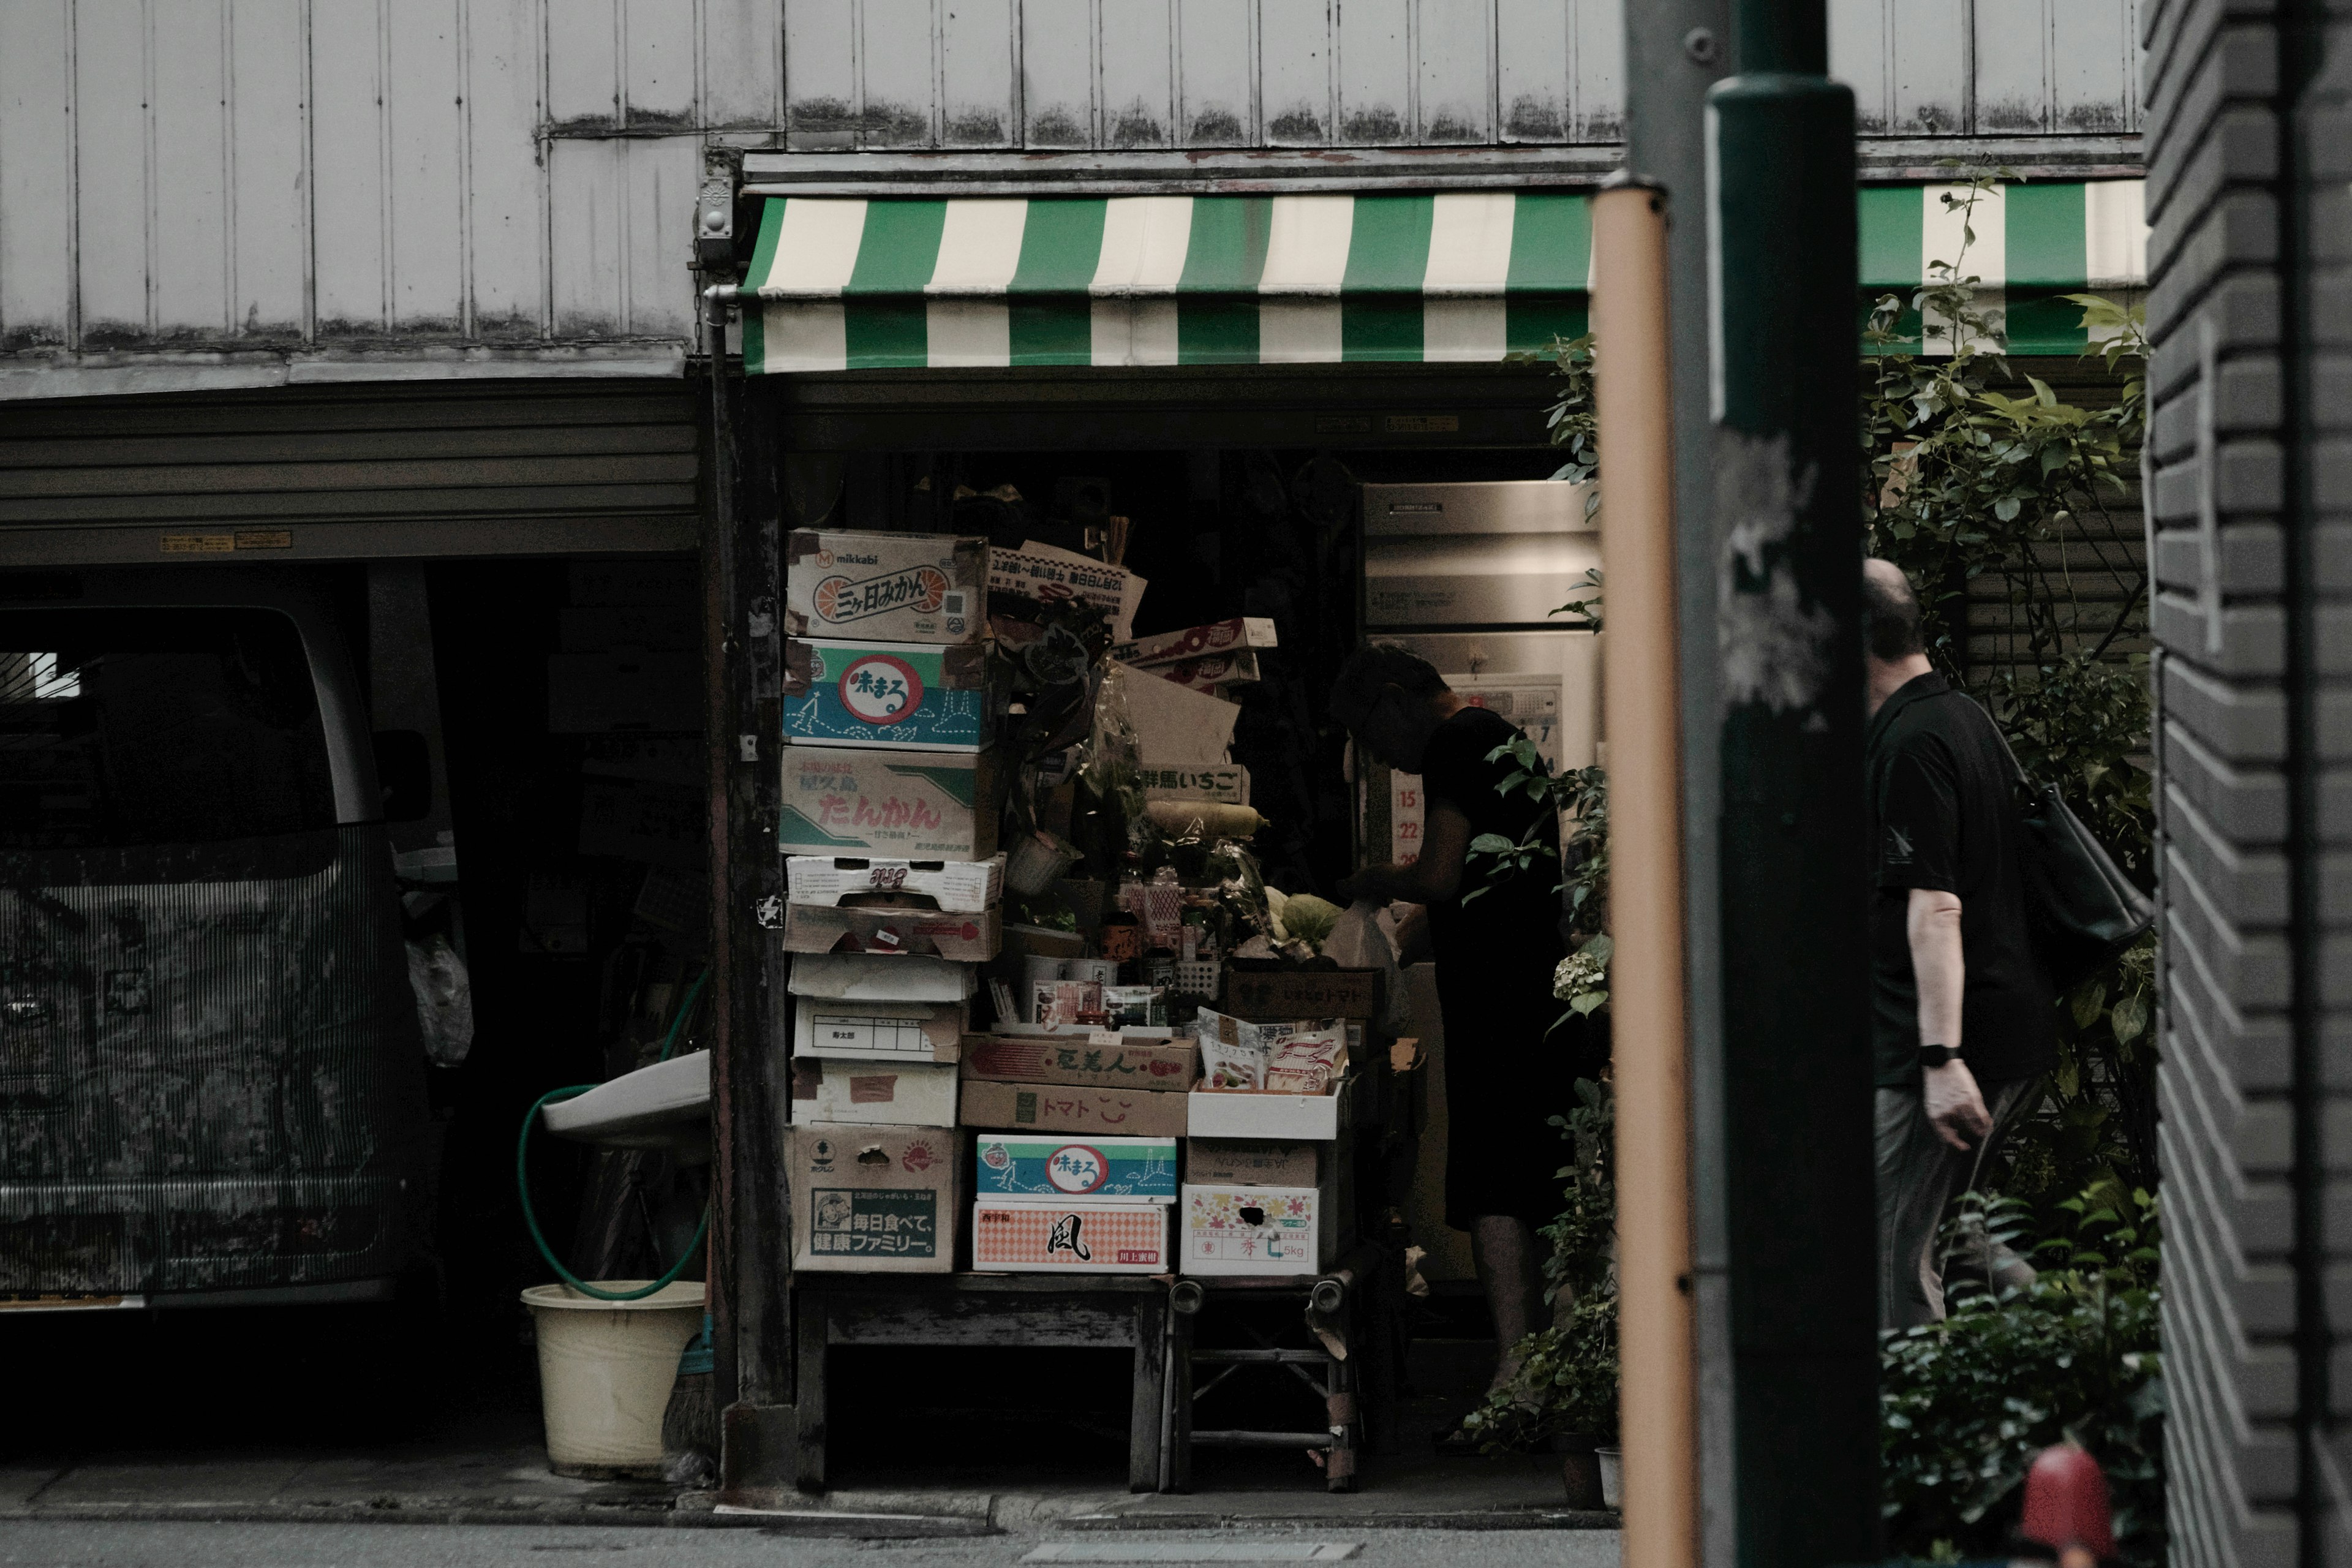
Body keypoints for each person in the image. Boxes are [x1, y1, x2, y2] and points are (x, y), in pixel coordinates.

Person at [1328, 644, 1590, 1414]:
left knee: (1495, 1180)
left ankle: (1518, 1376)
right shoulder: (1499, 738)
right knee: (1526, 1176)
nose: (1382, 758)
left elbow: (1440, 875)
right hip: (1533, 998)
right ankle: (1541, 1366)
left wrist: (1371, 882)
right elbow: (1476, 892)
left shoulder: (1456, 740)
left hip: (1501, 1008)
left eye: (1371, 738)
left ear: (1391, 699)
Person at [1863, 558, 2056, 1329]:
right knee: (1959, 1239)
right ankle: (2076, 1352)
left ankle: (1913, 1441)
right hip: (2003, 1032)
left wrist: (1941, 1061)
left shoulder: (1913, 741)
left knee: (1889, 1264)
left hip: (1942, 1057)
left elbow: (1936, 907)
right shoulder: (1961, 716)